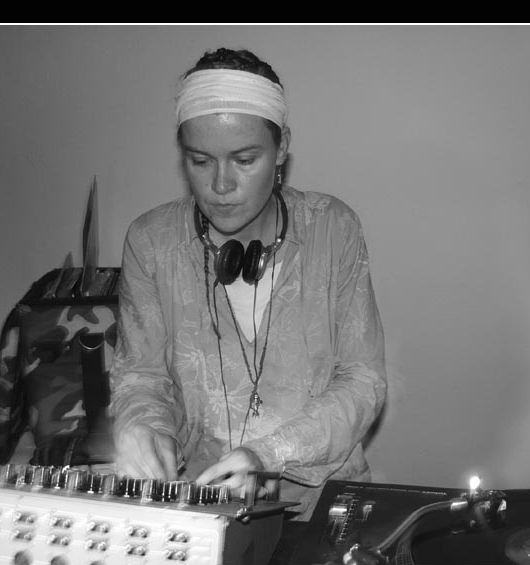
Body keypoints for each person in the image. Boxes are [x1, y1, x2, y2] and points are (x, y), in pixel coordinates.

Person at [109, 47, 386, 521]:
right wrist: (141, 427)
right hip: (200, 507)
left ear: (281, 149)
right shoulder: (151, 242)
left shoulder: (332, 228)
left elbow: (364, 380)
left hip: (322, 507)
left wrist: (267, 454)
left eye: (244, 159)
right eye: (200, 160)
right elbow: (142, 377)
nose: (221, 184)